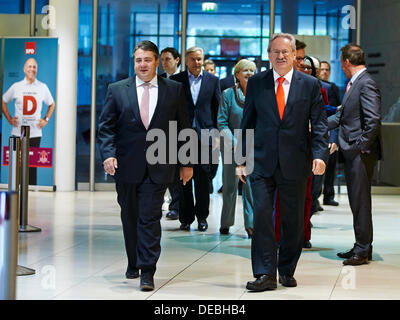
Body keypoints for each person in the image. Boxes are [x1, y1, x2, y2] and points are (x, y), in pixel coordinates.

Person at [98, 40, 193, 291]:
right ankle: (134, 261)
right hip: (126, 166)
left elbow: (184, 128)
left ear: (156, 61)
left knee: (149, 217)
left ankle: (147, 270)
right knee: (130, 217)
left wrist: (186, 163)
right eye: (138, 60)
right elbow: (106, 127)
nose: (143, 64)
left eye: (147, 60)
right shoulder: (117, 90)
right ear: (134, 62)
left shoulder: (174, 90)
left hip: (159, 165)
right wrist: (108, 154)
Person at [238, 33, 328, 291]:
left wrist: (320, 155)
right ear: (268, 54)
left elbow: (320, 124)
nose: (280, 56)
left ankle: (286, 269)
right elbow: (247, 124)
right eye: (275, 52)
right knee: (263, 218)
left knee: (292, 220)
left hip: (295, 163)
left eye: (285, 52)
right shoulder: (257, 83)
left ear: (294, 55)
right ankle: (265, 273)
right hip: (262, 162)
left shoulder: (309, 85)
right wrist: (241, 160)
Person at [328, 43, 382, 266]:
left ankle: (362, 249)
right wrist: (317, 125)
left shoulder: (365, 83)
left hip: (360, 154)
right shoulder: (356, 83)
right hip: (355, 152)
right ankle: (361, 245)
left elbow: (373, 120)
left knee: (360, 201)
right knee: (357, 201)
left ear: (346, 62)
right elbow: (342, 118)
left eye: (341, 61)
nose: (340, 65)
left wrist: (359, 147)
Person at [170, 46, 221, 232]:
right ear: (186, 60)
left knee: (202, 179)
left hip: (205, 135)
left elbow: (217, 109)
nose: (197, 62)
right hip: (182, 136)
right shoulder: (176, 81)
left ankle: (202, 217)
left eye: (199, 59)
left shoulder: (213, 81)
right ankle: (185, 218)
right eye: (193, 59)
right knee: (183, 179)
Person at [217, 59, 256, 238]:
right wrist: (234, 144)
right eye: (245, 70)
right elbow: (222, 122)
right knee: (230, 187)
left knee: (250, 188)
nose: (249, 73)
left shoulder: (260, 94)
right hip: (230, 146)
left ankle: (251, 225)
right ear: (237, 75)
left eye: (252, 70)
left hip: (251, 147)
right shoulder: (228, 94)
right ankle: (225, 223)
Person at [2, 57, 55, 185]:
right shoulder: (16, 86)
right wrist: (9, 118)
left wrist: (46, 119)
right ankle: (16, 193)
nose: (32, 69)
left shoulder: (43, 87)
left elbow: (52, 104)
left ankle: (30, 196)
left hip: (35, 134)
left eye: (34, 67)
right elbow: (3, 101)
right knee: (17, 166)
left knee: (32, 168)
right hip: (17, 133)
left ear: (37, 70)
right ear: (24, 69)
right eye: (29, 66)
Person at [160, 47, 182, 220]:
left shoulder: (184, 81)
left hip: (181, 132)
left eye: (168, 59)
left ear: (177, 60)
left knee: (177, 173)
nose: (164, 63)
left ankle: (177, 206)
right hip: (161, 133)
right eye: (162, 60)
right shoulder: (158, 81)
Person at [319, 60, 341, 206]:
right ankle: (316, 199)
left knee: (331, 165)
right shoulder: (315, 86)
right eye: (322, 69)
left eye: (327, 69)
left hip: (331, 128)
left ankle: (328, 195)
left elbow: (337, 110)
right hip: (318, 128)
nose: (325, 72)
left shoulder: (332, 88)